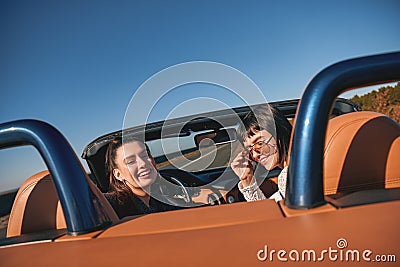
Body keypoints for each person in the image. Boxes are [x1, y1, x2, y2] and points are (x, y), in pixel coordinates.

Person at [104, 136, 178, 218]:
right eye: (131, 162)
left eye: (145, 156)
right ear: (118, 175)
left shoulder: (160, 198)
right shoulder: (111, 204)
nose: (143, 163)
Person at [230, 105, 292, 202]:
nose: (254, 155)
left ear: (279, 133)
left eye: (259, 144)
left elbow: (271, 216)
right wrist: (247, 180)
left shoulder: (289, 177)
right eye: (249, 150)